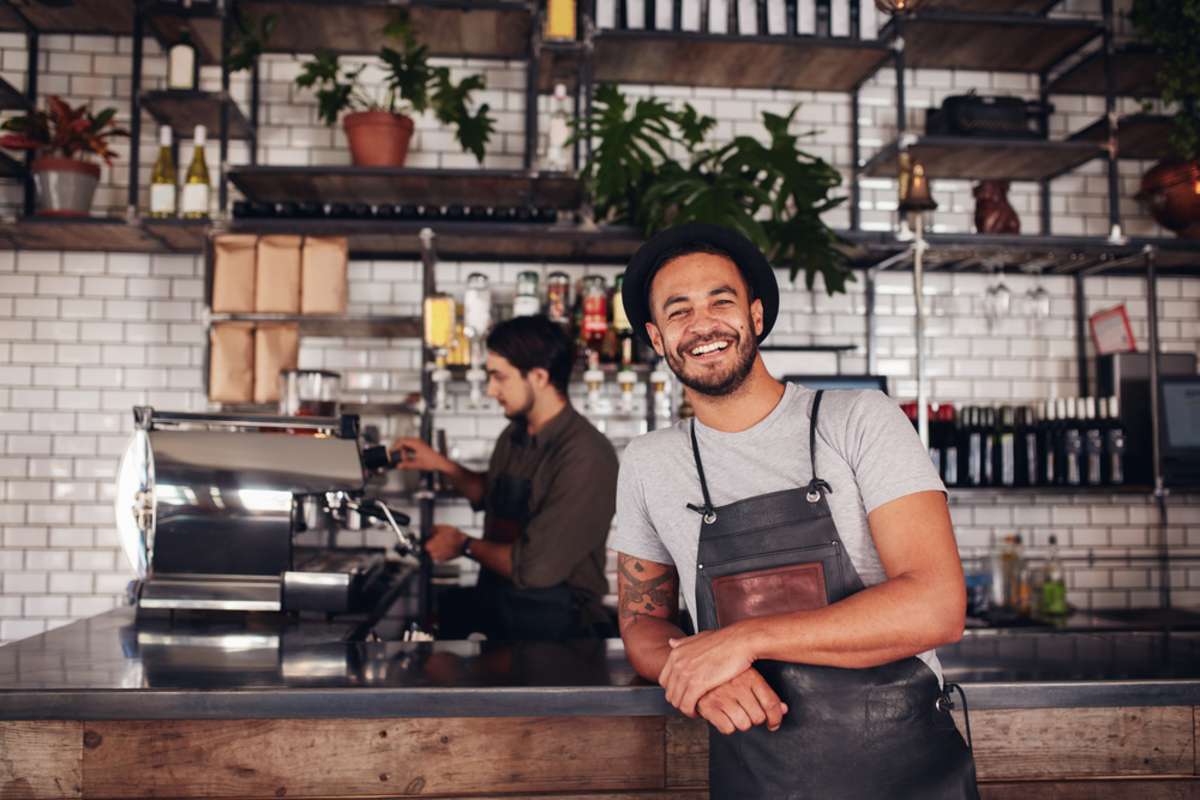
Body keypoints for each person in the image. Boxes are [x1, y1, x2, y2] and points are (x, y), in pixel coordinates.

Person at [609, 223, 980, 798]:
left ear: (756, 316)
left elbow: (937, 606)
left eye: (720, 301)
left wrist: (743, 640)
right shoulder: (649, 463)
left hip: (905, 773)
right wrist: (693, 675)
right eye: (678, 312)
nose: (702, 324)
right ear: (657, 339)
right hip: (756, 776)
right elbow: (641, 622)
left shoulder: (859, 419)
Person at [393, 314, 619, 641]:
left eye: (499, 377)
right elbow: (491, 494)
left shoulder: (586, 455)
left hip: (558, 630)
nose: (490, 389)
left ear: (539, 377)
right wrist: (439, 464)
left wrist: (464, 545)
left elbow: (536, 569)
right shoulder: (515, 434)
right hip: (505, 612)